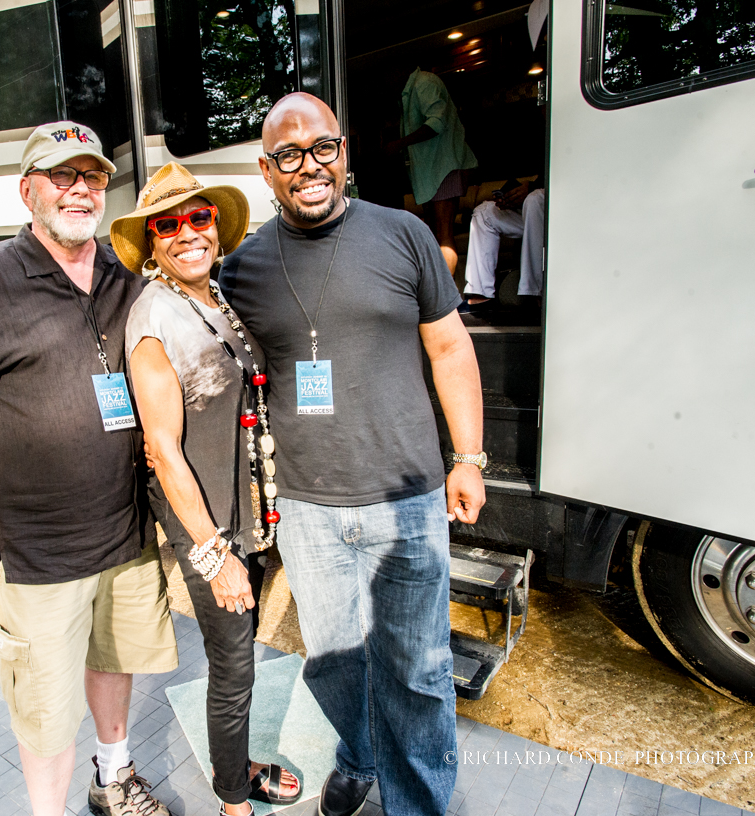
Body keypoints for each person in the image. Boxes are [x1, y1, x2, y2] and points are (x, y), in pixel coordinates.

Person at [0, 121, 178, 816]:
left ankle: (114, 778)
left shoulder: (125, 277)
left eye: (92, 177)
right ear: (28, 191)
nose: (80, 189)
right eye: (62, 176)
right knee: (45, 705)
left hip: (126, 535)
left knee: (113, 661)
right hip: (39, 551)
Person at [220, 93, 487, 816]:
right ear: (266, 170)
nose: (309, 166)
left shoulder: (404, 235)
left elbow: (449, 345)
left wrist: (470, 457)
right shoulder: (240, 271)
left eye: (323, 148)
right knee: (335, 667)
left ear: (343, 152)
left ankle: (417, 802)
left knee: (420, 671)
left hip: (407, 498)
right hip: (307, 508)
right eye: (288, 155)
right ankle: (361, 754)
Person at [111, 162, 303, 816]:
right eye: (169, 223)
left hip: (246, 516)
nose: (187, 231)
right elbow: (162, 451)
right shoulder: (153, 319)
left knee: (240, 657)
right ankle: (234, 800)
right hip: (208, 529)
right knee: (233, 667)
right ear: (154, 240)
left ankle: (236, 767)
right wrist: (216, 556)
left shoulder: (216, 296)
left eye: (199, 217)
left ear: (216, 225)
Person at [386, 68, 478, 274]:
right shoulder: (408, 92)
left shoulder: (424, 83)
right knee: (435, 233)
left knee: (444, 233)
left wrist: (400, 143)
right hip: (431, 171)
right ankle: (437, 293)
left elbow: (437, 122)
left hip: (443, 166)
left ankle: (448, 300)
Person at [459, 180, 545, 314]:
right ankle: (480, 296)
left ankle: (535, 296)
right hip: (534, 212)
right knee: (484, 211)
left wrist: (531, 188)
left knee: (535, 198)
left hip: (557, 211)